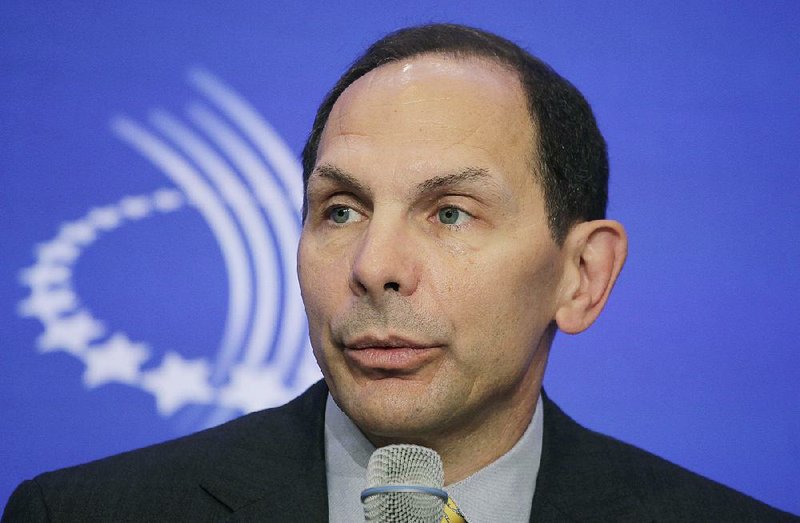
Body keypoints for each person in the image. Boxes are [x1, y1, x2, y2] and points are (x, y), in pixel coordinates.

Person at [2, 23, 795, 522]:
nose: (374, 266)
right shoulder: (82, 512)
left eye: (450, 212)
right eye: (341, 209)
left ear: (582, 275)